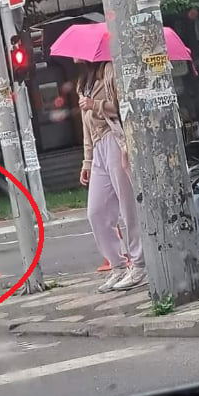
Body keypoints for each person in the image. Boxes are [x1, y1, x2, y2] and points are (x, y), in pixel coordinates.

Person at [77, 60, 146, 292]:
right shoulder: (83, 82)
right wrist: (87, 160)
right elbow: (85, 126)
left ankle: (140, 264)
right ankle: (118, 265)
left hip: (115, 140)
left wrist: (94, 104)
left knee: (128, 206)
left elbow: (122, 106)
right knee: (96, 212)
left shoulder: (110, 70)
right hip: (98, 147)